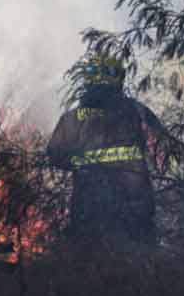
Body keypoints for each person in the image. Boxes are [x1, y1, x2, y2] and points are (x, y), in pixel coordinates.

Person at [47, 51, 165, 247]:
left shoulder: (73, 118)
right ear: (118, 79)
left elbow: (55, 154)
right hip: (135, 202)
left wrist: (81, 165)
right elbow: (161, 149)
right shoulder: (137, 111)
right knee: (140, 265)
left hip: (89, 204)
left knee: (91, 265)